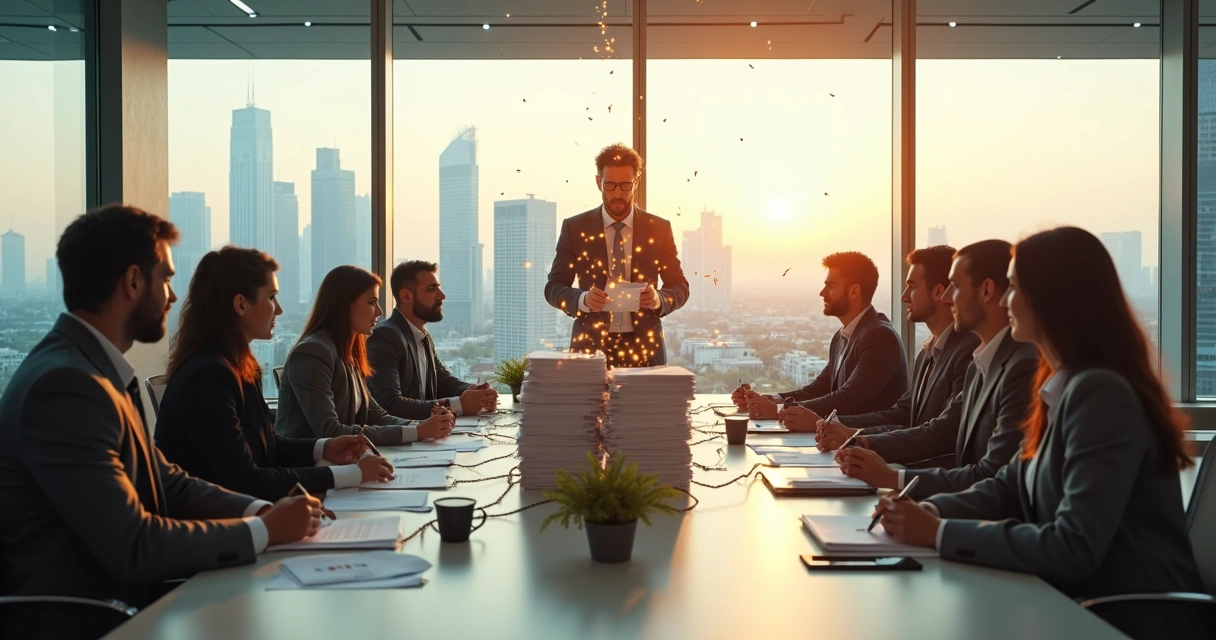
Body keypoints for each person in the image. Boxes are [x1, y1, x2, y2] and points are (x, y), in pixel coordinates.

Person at [0, 205, 320, 639]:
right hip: (96, 620)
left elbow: (167, 480)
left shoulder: (90, 369)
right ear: (133, 281)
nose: (173, 297)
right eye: (166, 279)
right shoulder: (66, 384)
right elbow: (134, 544)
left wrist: (260, 510)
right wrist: (262, 530)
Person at [875, 227, 1204, 634]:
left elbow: (1073, 545)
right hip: (1067, 603)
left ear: (1053, 297)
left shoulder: (1101, 394)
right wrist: (932, 511)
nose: (1005, 300)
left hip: (1120, 620)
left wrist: (940, 533)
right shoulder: (1061, 386)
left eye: (1014, 287)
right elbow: (1008, 484)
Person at [155, 247, 396, 502]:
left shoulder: (238, 366)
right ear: (240, 304)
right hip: (218, 527)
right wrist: (350, 475)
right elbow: (248, 479)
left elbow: (268, 447)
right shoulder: (208, 376)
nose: (279, 309)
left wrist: (324, 447)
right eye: (271, 297)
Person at [830, 240, 1038, 500]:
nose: (948, 298)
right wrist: (859, 439)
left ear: (986, 291)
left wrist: (894, 477)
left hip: (959, 506)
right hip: (950, 499)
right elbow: (910, 417)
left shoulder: (1015, 365)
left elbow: (950, 440)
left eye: (956, 287)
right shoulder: (976, 362)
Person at [782, 245, 979, 438]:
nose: (903, 297)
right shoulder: (927, 353)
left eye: (912, 287)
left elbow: (941, 431)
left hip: (917, 466)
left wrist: (852, 437)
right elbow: (904, 414)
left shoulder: (881, 336)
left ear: (938, 292)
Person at [545, 143, 690, 367]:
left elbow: (679, 287)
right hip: (590, 350)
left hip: (645, 351)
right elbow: (554, 288)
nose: (618, 193)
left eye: (625, 185)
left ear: (637, 182)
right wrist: (583, 300)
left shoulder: (659, 229)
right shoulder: (575, 228)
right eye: (610, 185)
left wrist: (658, 299)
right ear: (598, 182)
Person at [276, 265, 455, 446]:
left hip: (346, 460)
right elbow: (331, 431)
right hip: (309, 467)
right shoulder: (313, 352)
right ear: (344, 306)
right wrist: (417, 431)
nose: (379, 311)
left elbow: (375, 414)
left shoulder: (349, 351)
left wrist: (419, 426)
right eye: (371, 302)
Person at [736, 252, 907, 418]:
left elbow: (849, 399)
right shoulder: (842, 336)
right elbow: (819, 389)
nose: (822, 293)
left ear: (854, 291)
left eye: (831, 286)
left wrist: (780, 409)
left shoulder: (879, 336)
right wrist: (770, 399)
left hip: (865, 442)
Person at [367, 260, 497, 420]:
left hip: (427, 437)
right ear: (406, 296)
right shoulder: (385, 336)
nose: (442, 295)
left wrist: (475, 392)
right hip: (398, 441)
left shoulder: (422, 335)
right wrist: (458, 405)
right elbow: (391, 404)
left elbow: (442, 381)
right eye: (431, 289)